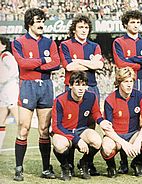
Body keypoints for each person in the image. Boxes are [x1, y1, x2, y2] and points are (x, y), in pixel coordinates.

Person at [11, 8, 60, 181]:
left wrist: (36, 65)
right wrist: (43, 61)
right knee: (23, 128)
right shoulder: (18, 42)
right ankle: (19, 168)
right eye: (38, 21)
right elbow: (23, 64)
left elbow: (56, 63)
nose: (41, 24)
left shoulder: (50, 42)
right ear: (29, 23)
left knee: (44, 130)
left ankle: (46, 168)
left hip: (46, 86)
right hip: (28, 86)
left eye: (42, 21)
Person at [59, 14, 104, 176]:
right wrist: (89, 62)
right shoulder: (65, 45)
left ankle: (86, 163)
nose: (84, 30)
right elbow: (69, 66)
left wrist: (81, 61)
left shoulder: (95, 46)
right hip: (71, 88)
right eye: (80, 27)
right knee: (69, 124)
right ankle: (69, 163)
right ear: (74, 29)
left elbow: (98, 65)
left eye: (86, 27)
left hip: (91, 87)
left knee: (91, 125)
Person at [112, 10, 142, 173]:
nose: (135, 25)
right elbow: (120, 63)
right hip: (126, 83)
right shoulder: (119, 42)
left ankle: (140, 160)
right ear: (126, 24)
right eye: (132, 22)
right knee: (124, 120)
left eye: (138, 22)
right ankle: (123, 160)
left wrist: (132, 60)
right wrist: (141, 60)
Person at [51, 71, 108, 180]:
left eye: (84, 85)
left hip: (81, 130)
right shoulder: (60, 100)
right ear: (71, 86)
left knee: (97, 141)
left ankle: (84, 163)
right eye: (77, 84)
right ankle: (65, 167)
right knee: (59, 144)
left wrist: (101, 121)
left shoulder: (91, 96)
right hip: (64, 131)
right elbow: (56, 127)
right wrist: (77, 140)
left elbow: (96, 113)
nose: (81, 88)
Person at [101, 67, 142, 178]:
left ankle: (137, 163)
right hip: (116, 136)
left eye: (131, 81)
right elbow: (107, 128)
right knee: (106, 147)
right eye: (126, 81)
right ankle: (111, 167)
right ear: (119, 83)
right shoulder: (110, 100)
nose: (129, 85)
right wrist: (123, 144)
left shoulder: (140, 96)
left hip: (133, 134)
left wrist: (138, 141)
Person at [0, 36, 19, 152]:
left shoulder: (6, 56)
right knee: (0, 120)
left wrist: (3, 79)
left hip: (11, 88)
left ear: (4, 45)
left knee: (18, 118)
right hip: (4, 90)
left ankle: (22, 140)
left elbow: (14, 70)